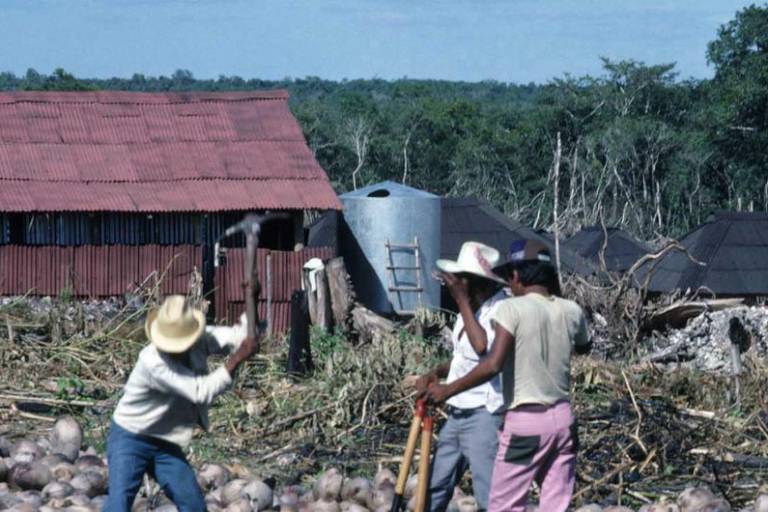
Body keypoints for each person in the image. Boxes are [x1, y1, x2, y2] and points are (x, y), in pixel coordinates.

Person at [426, 239, 591, 512]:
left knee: (503, 505)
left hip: (526, 422)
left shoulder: (510, 309)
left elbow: (492, 364)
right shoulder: (571, 310)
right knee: (555, 504)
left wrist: (447, 390)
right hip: (563, 421)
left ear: (516, 276)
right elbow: (585, 347)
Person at [105, 295, 258, 512]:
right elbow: (200, 391)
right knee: (119, 503)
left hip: (164, 440)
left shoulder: (198, 339)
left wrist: (252, 305)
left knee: (193, 504)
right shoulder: (152, 362)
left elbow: (236, 337)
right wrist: (237, 359)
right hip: (131, 436)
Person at [413, 241, 508, 512]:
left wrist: (462, 302)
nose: (456, 286)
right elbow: (463, 357)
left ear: (477, 282)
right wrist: (435, 373)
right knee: (435, 484)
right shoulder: (471, 309)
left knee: (487, 495)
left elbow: (483, 350)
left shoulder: (500, 309)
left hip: (484, 413)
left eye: (461, 281)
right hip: (458, 412)